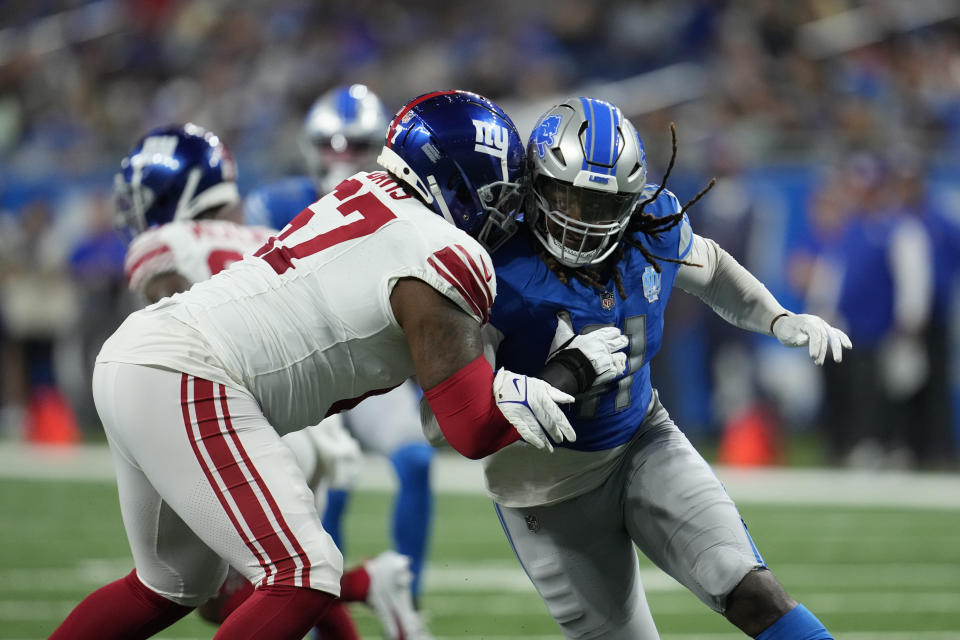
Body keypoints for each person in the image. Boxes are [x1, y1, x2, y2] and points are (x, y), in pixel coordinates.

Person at [49, 91, 579, 640]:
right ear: (463, 186)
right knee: (303, 573)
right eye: (498, 196)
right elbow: (468, 428)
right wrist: (569, 373)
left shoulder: (362, 193)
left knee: (173, 584)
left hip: (141, 355)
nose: (504, 213)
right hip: (192, 373)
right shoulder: (443, 250)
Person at [458, 97, 850, 639]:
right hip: (543, 488)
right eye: (567, 196)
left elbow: (710, 268)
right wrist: (519, 388)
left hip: (643, 440)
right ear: (536, 185)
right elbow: (450, 415)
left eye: (601, 204)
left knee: (748, 586)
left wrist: (777, 318)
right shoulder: (494, 265)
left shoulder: (652, 225)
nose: (581, 219)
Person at [113, 122, 428, 639]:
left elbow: (169, 340)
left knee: (252, 586)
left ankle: (369, 582)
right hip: (305, 423)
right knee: (290, 580)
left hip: (238, 417)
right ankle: (372, 585)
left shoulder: (164, 244)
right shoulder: (272, 238)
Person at [246, 84, 435, 601]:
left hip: (373, 365)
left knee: (416, 460)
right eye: (329, 145)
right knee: (329, 483)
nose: (340, 158)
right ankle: (318, 611)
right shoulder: (275, 202)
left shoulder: (405, 205)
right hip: (305, 367)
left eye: (353, 145)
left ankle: (407, 600)